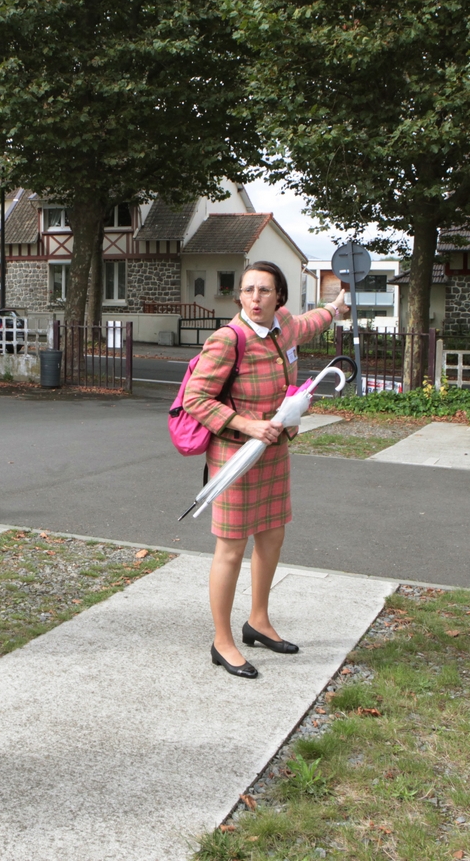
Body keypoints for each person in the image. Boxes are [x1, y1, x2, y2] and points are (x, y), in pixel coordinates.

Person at [181, 261, 349, 679]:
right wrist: (247, 423)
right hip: (235, 457)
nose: (255, 298)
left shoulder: (285, 326)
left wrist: (335, 309)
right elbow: (195, 399)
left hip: (273, 453)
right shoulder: (227, 340)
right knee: (231, 548)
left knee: (272, 536)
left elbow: (311, 323)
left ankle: (258, 620)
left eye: (264, 291)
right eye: (248, 290)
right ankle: (222, 641)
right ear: (240, 296)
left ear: (280, 298)